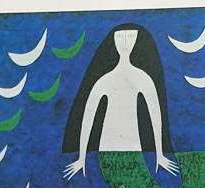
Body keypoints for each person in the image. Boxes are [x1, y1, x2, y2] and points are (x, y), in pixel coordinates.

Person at [63, 24, 178, 179]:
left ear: (137, 40)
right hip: (106, 149)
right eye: (119, 37)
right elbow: (88, 118)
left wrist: (160, 154)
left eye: (130, 36)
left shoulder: (143, 78)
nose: (124, 43)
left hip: (134, 147)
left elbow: (156, 116)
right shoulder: (104, 80)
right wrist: (81, 158)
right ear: (113, 41)